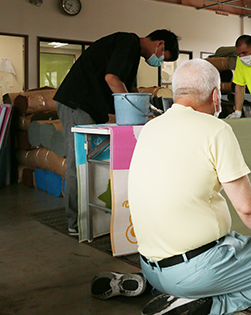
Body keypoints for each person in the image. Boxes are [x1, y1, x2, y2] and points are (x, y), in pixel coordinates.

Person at [92, 59, 251, 315]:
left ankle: (152, 284)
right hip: (195, 270)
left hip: (148, 263)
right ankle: (206, 304)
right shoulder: (216, 129)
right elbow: (249, 208)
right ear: (215, 96)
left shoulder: (149, 128)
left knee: (234, 239)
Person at [54, 29, 179, 236]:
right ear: (160, 44)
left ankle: (93, 216)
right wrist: (133, 108)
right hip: (77, 103)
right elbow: (112, 79)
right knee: (79, 163)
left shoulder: (132, 53)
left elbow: (130, 89)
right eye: (162, 57)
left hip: (89, 107)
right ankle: (75, 222)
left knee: (91, 162)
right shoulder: (128, 42)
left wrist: (148, 111)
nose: (158, 62)